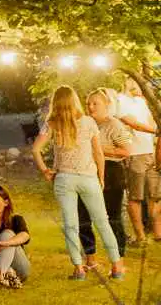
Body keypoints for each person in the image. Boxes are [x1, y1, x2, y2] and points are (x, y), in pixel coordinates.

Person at [33, 85, 124, 281]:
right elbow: (98, 153)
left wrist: (45, 171)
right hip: (88, 178)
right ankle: (117, 267)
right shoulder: (88, 121)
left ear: (56, 102)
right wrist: (101, 176)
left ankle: (79, 269)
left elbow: (35, 149)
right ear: (74, 100)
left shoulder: (52, 123)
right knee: (103, 222)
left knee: (71, 225)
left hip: (64, 179)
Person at [88, 89, 133, 263]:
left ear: (106, 105)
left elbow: (126, 151)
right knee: (90, 215)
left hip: (112, 171)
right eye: (88, 104)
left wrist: (98, 148)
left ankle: (119, 253)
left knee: (112, 215)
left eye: (95, 103)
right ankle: (90, 254)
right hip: (90, 171)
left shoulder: (114, 125)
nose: (91, 107)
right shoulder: (87, 124)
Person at [115, 77, 161, 242]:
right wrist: (159, 131)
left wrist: (157, 140)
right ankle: (140, 236)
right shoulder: (120, 100)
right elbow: (133, 124)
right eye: (136, 81)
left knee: (156, 195)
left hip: (150, 152)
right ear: (127, 82)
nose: (141, 85)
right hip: (134, 153)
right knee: (135, 196)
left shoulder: (141, 102)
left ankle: (159, 234)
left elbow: (151, 121)